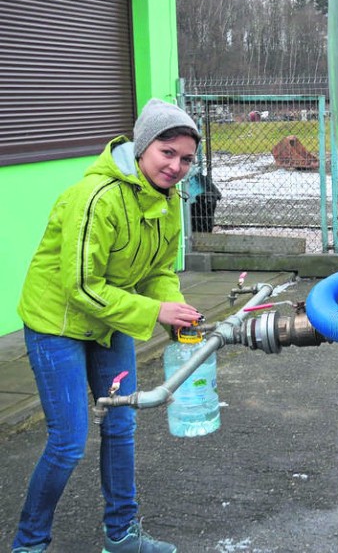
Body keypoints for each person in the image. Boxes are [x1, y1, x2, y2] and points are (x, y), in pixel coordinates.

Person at [12, 99, 204, 553]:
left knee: (120, 425)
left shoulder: (166, 200)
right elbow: (80, 285)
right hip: (58, 322)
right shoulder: (96, 197)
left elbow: (159, 270)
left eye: (186, 159)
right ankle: (29, 544)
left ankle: (122, 536)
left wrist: (174, 305)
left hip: (112, 319)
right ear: (142, 146)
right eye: (167, 152)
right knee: (68, 442)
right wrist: (153, 312)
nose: (176, 166)